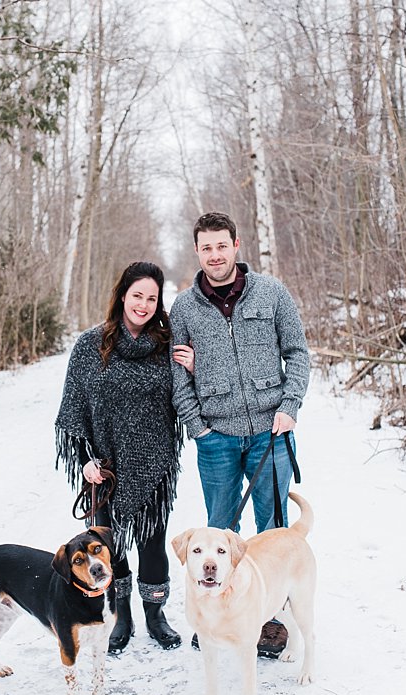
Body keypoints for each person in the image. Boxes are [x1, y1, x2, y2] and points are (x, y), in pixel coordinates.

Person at [169, 211, 311, 655]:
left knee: (273, 530)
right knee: (218, 531)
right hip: (217, 438)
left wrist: (289, 408)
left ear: (236, 244)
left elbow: (298, 352)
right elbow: (177, 376)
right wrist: (199, 428)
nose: (215, 255)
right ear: (197, 251)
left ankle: (268, 620)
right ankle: (214, 613)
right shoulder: (184, 308)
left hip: (271, 432)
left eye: (221, 245)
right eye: (206, 248)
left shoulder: (271, 294)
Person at [56, 261, 184, 653]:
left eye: (151, 298)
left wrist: (194, 368)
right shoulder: (90, 346)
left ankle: (155, 615)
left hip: (153, 465)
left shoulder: (166, 346)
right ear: (122, 296)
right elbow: (73, 409)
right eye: (137, 296)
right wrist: (84, 460)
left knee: (151, 542)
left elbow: (183, 395)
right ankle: (120, 615)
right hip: (102, 469)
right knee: (108, 547)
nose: (143, 305)